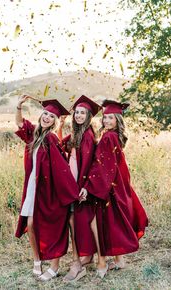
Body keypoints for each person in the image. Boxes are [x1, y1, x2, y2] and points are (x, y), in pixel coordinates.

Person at [15, 95, 81, 282]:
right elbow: (20, 124)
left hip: (47, 190)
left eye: (51, 116)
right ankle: (37, 261)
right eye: (45, 114)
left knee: (52, 227)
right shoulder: (35, 134)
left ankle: (54, 266)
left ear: (54, 122)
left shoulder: (51, 139)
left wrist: (69, 192)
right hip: (32, 188)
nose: (47, 117)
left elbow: (61, 168)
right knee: (30, 224)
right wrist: (19, 106)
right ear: (41, 115)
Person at [80, 99, 148, 278]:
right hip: (117, 183)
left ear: (118, 119)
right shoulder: (114, 135)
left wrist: (88, 186)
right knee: (115, 221)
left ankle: (103, 263)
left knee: (103, 222)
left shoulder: (108, 137)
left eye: (110, 118)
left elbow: (102, 165)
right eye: (105, 118)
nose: (106, 121)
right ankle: (119, 260)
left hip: (109, 185)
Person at [58, 95, 101, 282]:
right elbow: (62, 145)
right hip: (73, 182)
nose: (78, 115)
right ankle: (88, 257)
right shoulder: (77, 133)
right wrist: (59, 126)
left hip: (80, 185)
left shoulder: (88, 135)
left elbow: (91, 164)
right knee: (77, 220)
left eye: (82, 113)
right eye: (76, 112)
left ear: (89, 116)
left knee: (76, 220)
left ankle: (78, 262)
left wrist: (84, 187)